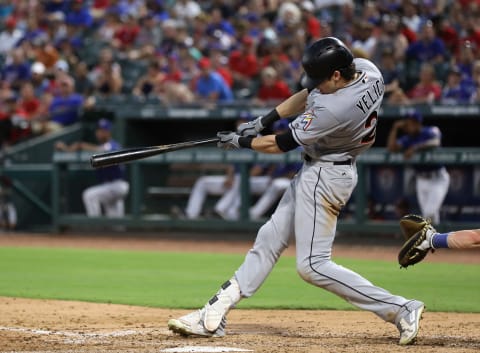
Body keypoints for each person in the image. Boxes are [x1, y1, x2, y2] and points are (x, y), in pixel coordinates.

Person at [168, 37, 425, 346]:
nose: (315, 85)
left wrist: (240, 141)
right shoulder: (367, 70)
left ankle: (400, 308)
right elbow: (308, 94)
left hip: (326, 175)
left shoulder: (335, 108)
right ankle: (214, 313)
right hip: (326, 169)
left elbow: (279, 145)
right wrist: (265, 120)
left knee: (313, 266)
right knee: (269, 238)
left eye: (321, 78)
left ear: (336, 76)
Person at [55, 118, 129, 218]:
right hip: (110, 187)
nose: (98, 133)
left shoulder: (113, 145)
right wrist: (67, 149)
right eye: (98, 131)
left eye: (102, 131)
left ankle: (95, 225)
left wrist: (81, 145)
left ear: (108, 132)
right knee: (116, 224)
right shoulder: (102, 146)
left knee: (89, 195)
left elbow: (104, 151)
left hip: (117, 185)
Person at [387, 111, 450, 224]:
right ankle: (435, 239)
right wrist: (394, 128)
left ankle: (433, 238)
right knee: (431, 215)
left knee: (429, 213)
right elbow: (391, 148)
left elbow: (435, 142)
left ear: (417, 123)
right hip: (421, 180)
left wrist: (415, 148)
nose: (407, 126)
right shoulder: (407, 139)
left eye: (410, 123)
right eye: (406, 123)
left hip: (438, 178)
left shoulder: (429, 131)